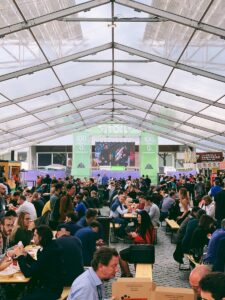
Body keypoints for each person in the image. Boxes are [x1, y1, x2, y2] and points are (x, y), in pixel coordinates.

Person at [13, 225, 64, 300]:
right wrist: (26, 255)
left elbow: (27, 273)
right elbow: (38, 264)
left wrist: (20, 256)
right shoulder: (51, 246)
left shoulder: (48, 252)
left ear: (41, 238)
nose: (33, 238)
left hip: (50, 291)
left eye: (35, 235)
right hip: (53, 287)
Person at [119, 210, 155, 277]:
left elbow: (148, 243)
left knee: (121, 256)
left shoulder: (147, 228)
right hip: (138, 249)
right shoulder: (142, 226)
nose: (138, 219)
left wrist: (136, 237)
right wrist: (131, 235)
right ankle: (126, 274)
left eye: (139, 217)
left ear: (143, 218)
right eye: (138, 217)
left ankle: (128, 274)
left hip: (142, 251)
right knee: (121, 254)